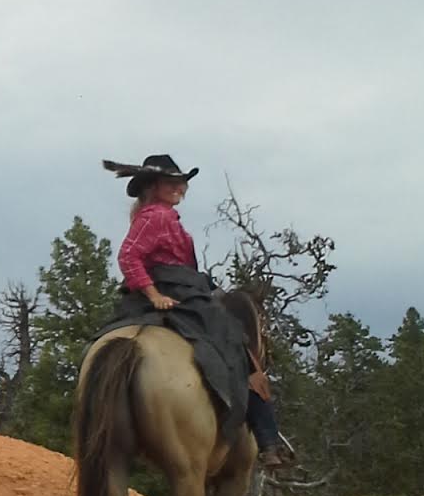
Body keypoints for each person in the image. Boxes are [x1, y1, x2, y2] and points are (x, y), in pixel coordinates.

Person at [105, 153, 290, 471]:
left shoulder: (157, 215)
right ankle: (267, 438)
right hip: (177, 290)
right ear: (153, 187)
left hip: (180, 284)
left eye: (181, 182)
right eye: (170, 182)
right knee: (235, 341)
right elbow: (128, 255)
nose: (179, 187)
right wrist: (154, 294)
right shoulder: (157, 216)